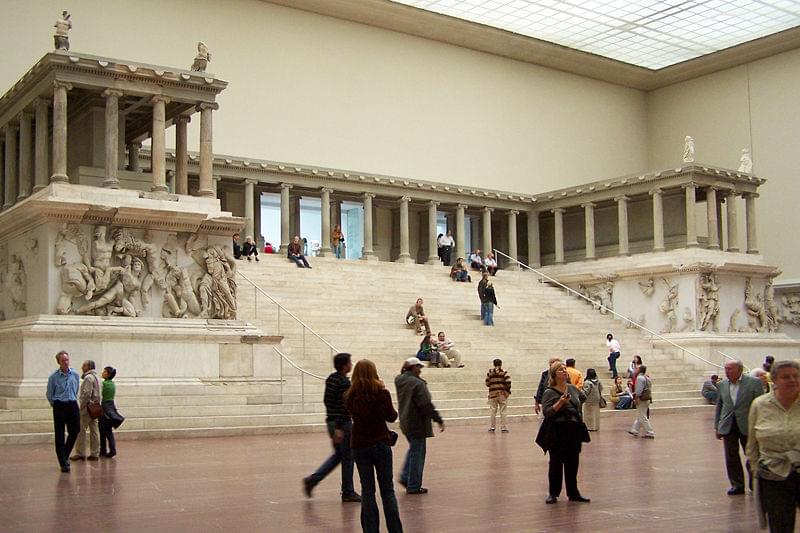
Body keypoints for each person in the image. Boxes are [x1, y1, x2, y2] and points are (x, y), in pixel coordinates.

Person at [344, 360, 403, 533]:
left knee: (367, 491)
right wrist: (383, 389)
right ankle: (395, 530)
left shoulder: (349, 396)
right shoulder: (381, 393)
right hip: (380, 442)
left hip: (360, 444)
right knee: (387, 490)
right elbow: (392, 417)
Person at [746, 360, 800, 533]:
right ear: (774, 381)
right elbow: (752, 444)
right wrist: (756, 469)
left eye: (796, 376)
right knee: (780, 524)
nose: (792, 380)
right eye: (786, 377)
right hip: (773, 474)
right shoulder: (760, 405)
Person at [304, 353, 361, 502]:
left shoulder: (332, 379)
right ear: (344, 365)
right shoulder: (343, 382)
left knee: (339, 456)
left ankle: (313, 480)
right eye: (349, 362)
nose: (351, 365)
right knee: (348, 457)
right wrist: (338, 427)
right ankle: (347, 491)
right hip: (341, 423)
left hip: (333, 422)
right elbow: (343, 405)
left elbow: (328, 401)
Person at [538, 361, 590, 504]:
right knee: (556, 462)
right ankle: (553, 493)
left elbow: (583, 398)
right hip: (557, 429)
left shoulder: (572, 389)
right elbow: (547, 412)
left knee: (573, 461)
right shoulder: (549, 391)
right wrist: (560, 403)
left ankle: (573, 492)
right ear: (554, 374)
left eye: (564, 369)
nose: (564, 371)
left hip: (573, 429)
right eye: (560, 370)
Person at [395, 357, 445, 494]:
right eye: (418, 367)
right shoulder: (417, 384)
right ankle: (413, 485)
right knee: (418, 453)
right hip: (417, 423)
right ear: (412, 367)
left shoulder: (400, 380)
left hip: (405, 421)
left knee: (413, 450)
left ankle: (406, 477)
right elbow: (425, 405)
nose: (420, 370)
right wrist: (438, 419)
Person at [715, 359, 765, 495]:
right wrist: (717, 426)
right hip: (728, 425)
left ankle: (755, 484)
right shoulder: (722, 385)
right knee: (731, 457)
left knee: (752, 455)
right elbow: (719, 406)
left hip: (748, 425)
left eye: (730, 369)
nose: (727, 371)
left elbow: (761, 405)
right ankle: (737, 485)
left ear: (740, 370)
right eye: (725, 368)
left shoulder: (754, 383)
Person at [46, 351, 80, 472]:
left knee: (75, 430)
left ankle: (65, 454)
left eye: (67, 360)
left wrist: (71, 399)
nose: (66, 362)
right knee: (59, 434)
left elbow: (76, 389)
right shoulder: (53, 377)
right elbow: (50, 394)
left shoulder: (75, 374)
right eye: (63, 360)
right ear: (58, 362)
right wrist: (56, 404)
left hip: (72, 403)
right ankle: (63, 462)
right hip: (60, 405)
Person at [71, 360, 101, 461]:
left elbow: (86, 394)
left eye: (83, 365)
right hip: (96, 408)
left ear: (88, 367)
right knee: (94, 431)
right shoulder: (98, 377)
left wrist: (82, 406)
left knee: (81, 431)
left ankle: (80, 452)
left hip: (87, 408)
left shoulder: (88, 378)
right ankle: (95, 452)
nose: (81, 367)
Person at [99, 366, 124, 458]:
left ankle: (103, 450)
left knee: (102, 430)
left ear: (108, 374)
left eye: (104, 372)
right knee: (109, 430)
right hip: (111, 407)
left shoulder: (104, 384)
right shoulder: (112, 384)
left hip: (104, 408)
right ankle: (112, 449)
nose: (102, 373)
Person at [485, 358, 511, 433]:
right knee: (503, 411)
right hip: (502, 394)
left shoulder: (490, 373)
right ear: (501, 364)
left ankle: (492, 427)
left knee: (493, 411)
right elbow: (508, 382)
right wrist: (506, 390)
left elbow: (487, 383)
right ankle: (503, 427)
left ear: (493, 364)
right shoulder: (504, 372)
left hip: (493, 394)